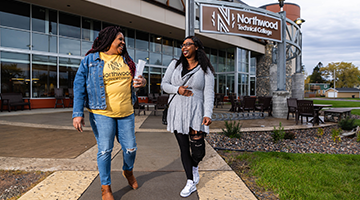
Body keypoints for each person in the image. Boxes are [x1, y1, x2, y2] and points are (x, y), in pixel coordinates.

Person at [72, 26, 146, 200]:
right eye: (119, 39)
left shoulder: (126, 61)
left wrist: (142, 82)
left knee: (131, 148)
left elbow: (139, 81)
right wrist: (78, 113)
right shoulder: (90, 60)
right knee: (105, 150)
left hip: (126, 112)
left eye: (123, 39)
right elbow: (78, 85)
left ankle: (128, 171)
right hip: (101, 112)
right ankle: (106, 188)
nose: (123, 42)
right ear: (109, 40)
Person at [161, 36, 215, 197]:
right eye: (182, 45)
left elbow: (209, 92)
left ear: (196, 47)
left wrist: (207, 113)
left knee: (198, 150)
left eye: (188, 44)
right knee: (184, 148)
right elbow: (164, 84)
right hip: (178, 111)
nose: (184, 47)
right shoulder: (175, 65)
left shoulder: (205, 68)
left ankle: (195, 165)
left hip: (196, 111)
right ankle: (190, 181)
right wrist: (178, 89)